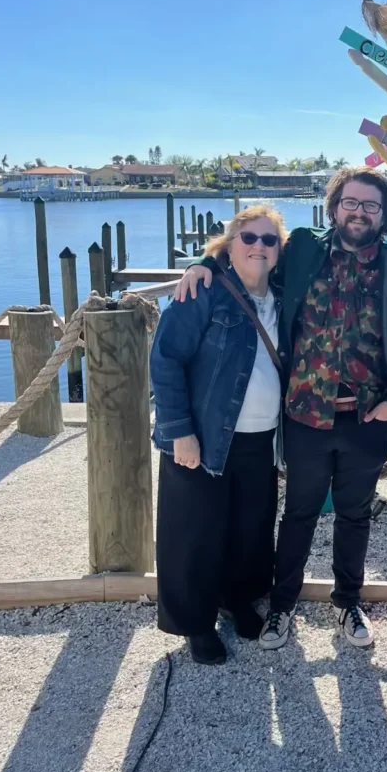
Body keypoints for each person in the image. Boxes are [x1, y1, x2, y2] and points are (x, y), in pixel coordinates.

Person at [175, 167, 387, 649]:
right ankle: (281, 607)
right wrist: (201, 263)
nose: (359, 212)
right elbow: (251, 254)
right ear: (334, 208)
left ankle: (348, 603)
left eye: (371, 205)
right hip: (306, 414)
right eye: (350, 202)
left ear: (384, 215)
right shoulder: (304, 249)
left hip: (368, 417)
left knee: (355, 514)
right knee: (299, 513)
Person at [150, 205, 288, 665]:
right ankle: (196, 622)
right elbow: (166, 359)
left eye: (269, 240)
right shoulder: (204, 290)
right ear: (229, 245)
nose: (258, 247)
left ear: (279, 249)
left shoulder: (285, 296)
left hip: (261, 438)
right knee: (194, 533)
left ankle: (236, 598)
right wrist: (179, 433)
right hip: (206, 435)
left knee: (248, 530)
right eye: (248, 238)